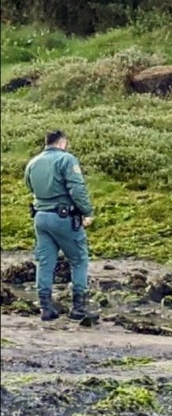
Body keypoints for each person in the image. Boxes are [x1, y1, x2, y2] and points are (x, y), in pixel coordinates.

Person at [23, 130, 97, 322]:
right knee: (79, 259)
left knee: (46, 262)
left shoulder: (33, 162)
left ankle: (46, 308)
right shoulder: (67, 159)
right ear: (62, 142)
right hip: (63, 217)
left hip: (41, 216)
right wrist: (87, 211)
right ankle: (79, 308)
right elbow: (77, 188)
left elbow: (29, 186)